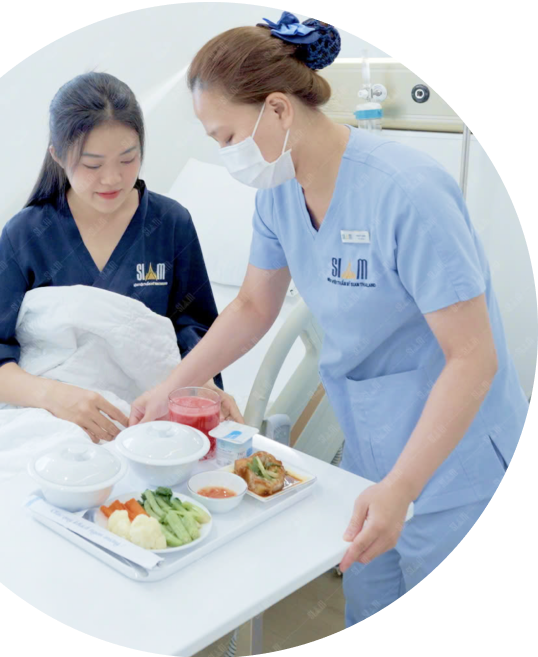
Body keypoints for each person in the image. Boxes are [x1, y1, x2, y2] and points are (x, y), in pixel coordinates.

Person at [129, 13, 527, 626]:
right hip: (371, 457)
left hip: (453, 465)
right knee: (366, 604)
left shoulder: (408, 191)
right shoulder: (278, 193)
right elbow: (254, 306)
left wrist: (403, 487)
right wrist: (172, 386)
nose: (227, 154)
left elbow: (474, 358)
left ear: (278, 109)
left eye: (227, 136)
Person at [0, 72, 243, 442]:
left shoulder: (170, 223)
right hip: (47, 419)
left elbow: (196, 334)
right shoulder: (27, 233)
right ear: (58, 156)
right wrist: (57, 397)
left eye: (128, 159)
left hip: (146, 418)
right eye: (92, 165)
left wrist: (203, 388)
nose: (112, 179)